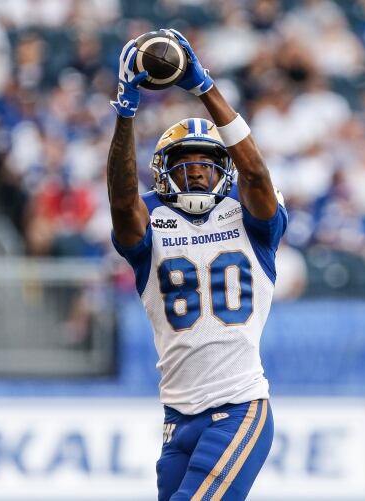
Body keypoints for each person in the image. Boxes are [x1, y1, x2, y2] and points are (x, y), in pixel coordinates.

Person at [107, 30, 286, 500]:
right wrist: (125, 113)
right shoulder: (151, 217)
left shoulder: (250, 218)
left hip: (239, 406)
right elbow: (123, 207)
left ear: (222, 168)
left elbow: (256, 174)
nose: (197, 171)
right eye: (184, 163)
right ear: (163, 169)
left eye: (207, 163)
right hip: (176, 418)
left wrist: (203, 85)